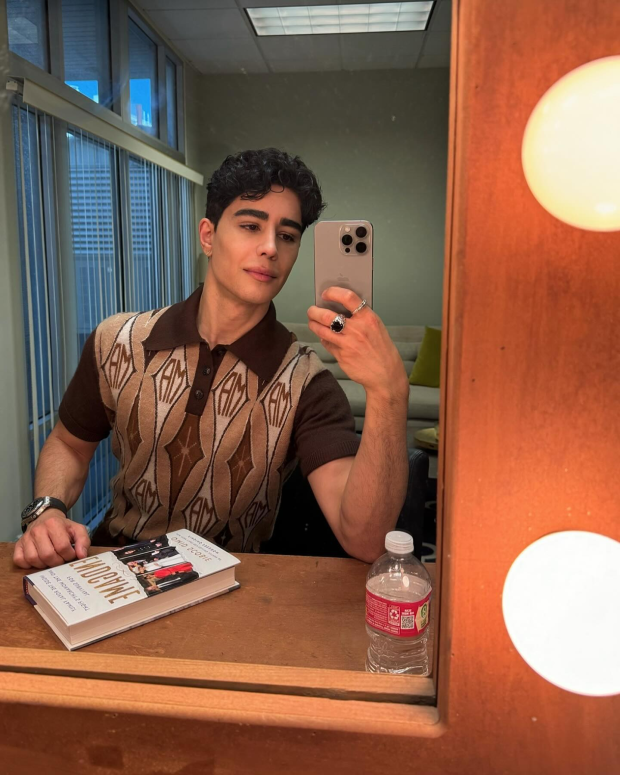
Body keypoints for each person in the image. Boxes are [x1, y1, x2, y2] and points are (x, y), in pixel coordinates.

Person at [14, 148, 410, 570]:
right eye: (251, 226)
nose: (270, 248)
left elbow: (365, 539)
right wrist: (47, 510)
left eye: (287, 236)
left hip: (236, 587)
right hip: (114, 568)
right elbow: (69, 445)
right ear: (208, 236)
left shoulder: (307, 383)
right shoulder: (117, 341)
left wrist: (389, 393)